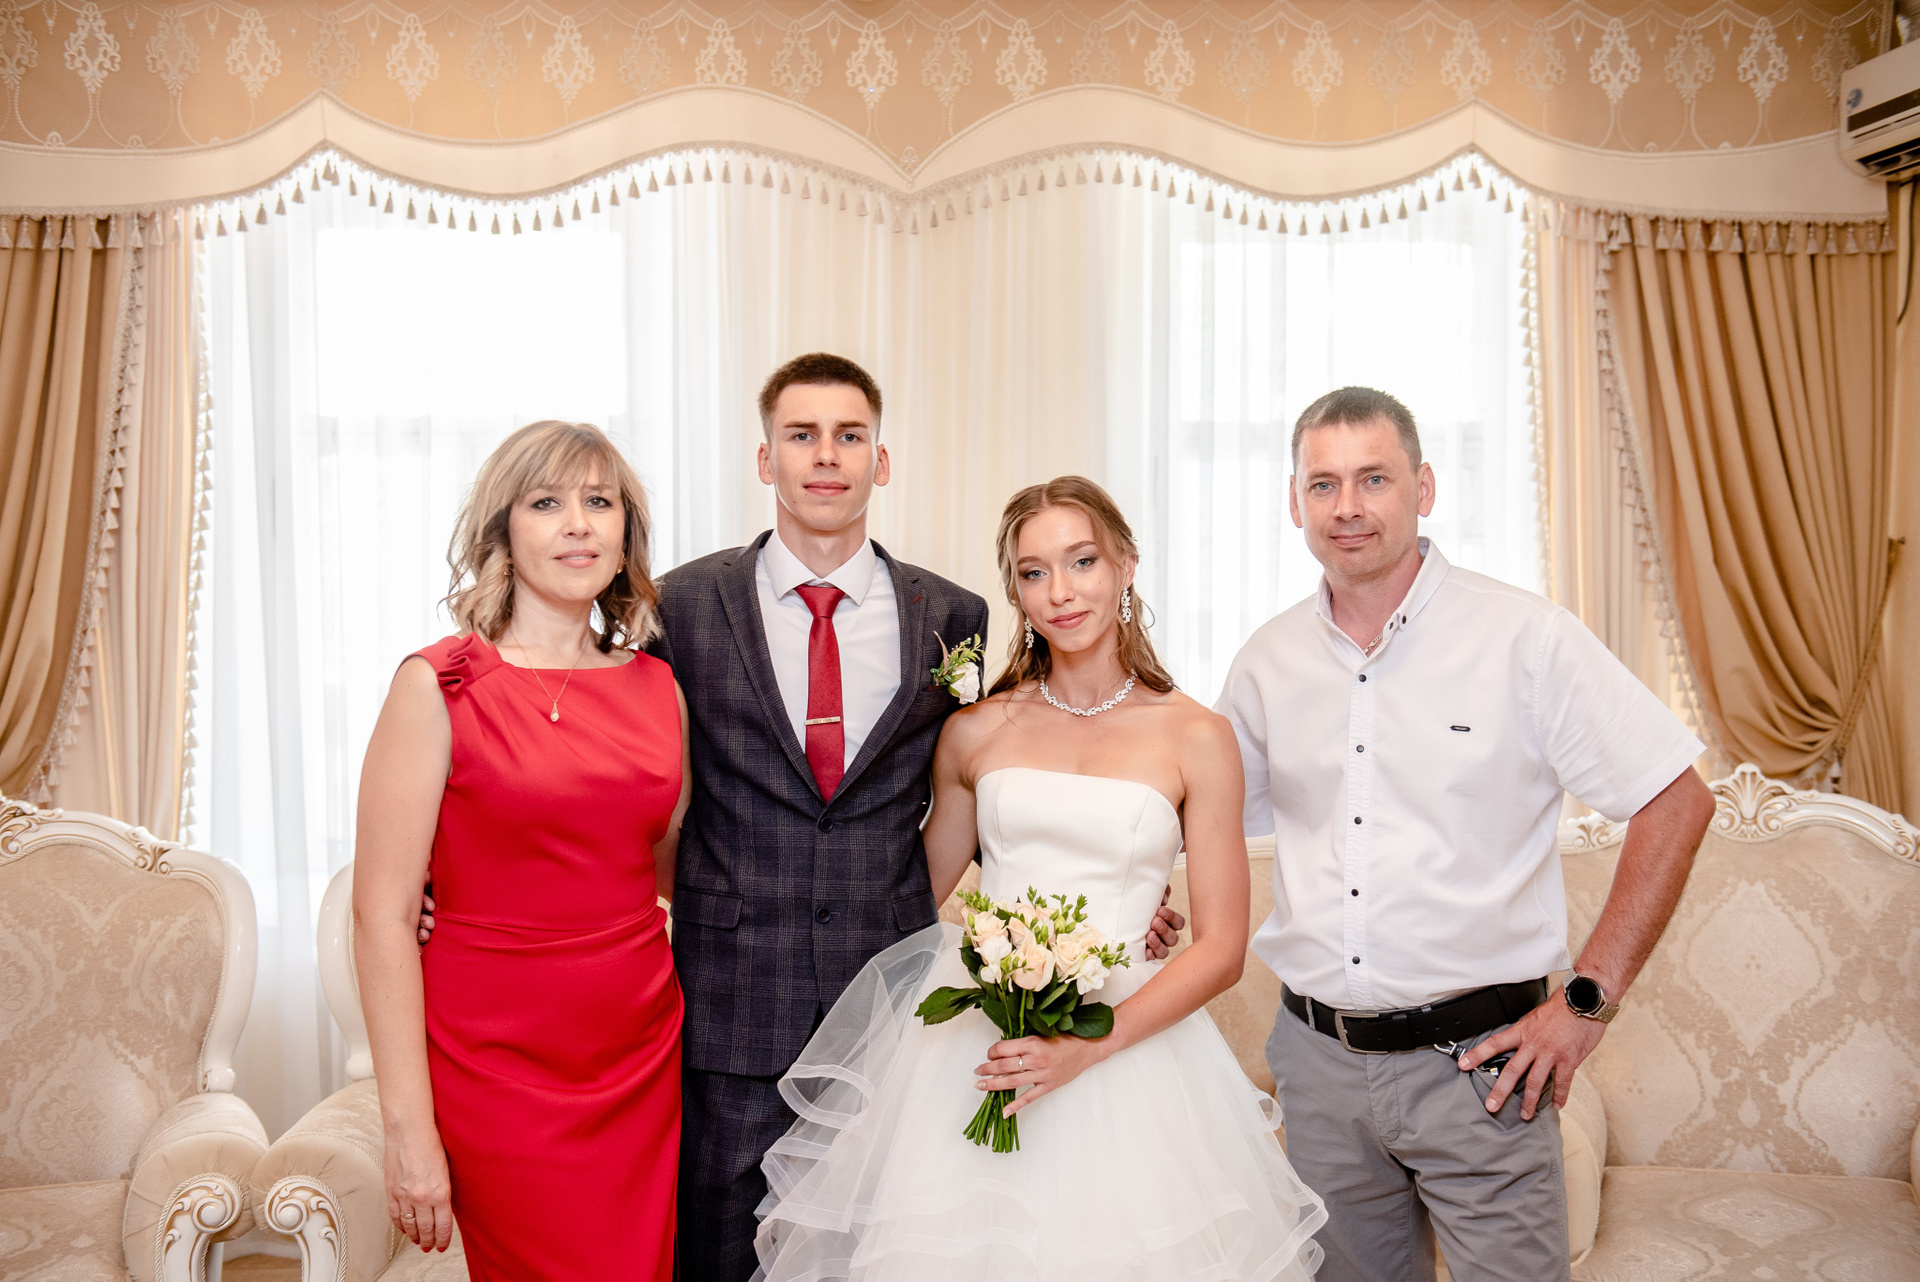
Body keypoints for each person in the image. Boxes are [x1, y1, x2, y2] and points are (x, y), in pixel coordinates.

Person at [753, 476, 1328, 1281]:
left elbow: (1222, 948)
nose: (1061, 591)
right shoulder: (975, 730)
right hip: (972, 1043)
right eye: (1034, 572)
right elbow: (906, 894)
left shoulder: (1198, 735)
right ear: (1015, 592)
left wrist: (1085, 1048)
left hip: (1129, 1050)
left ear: (1126, 565)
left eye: (1082, 561)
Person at [1216, 387, 1716, 1282]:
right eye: (1324, 484)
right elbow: (1210, 821)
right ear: (1295, 503)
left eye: (1374, 478)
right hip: (1317, 1071)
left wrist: (1586, 1006)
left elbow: (1677, 801)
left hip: (1483, 1071)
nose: (1349, 506)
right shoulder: (1266, 661)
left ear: (1424, 488)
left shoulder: (1525, 637)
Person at [651, 353, 994, 1281]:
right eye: (802, 435)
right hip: (731, 1003)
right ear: (767, 460)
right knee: (719, 1253)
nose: (827, 455)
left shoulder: (953, 615)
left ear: (881, 461)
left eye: (850, 435)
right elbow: (634, 786)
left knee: (874, 1253)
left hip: (889, 999)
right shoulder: (680, 605)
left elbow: (986, 778)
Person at [353, 421, 691, 1280]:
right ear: (503, 528)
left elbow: (672, 873)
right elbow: (382, 917)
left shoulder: (659, 686)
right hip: (495, 1061)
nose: (578, 524)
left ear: (625, 534)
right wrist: (408, 1131)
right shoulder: (438, 685)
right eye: (546, 503)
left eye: (599, 502)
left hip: (641, 1050)